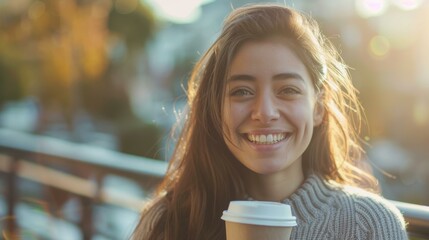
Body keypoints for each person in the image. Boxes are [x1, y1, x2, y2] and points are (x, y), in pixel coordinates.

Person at [132, 3, 408, 240]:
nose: (264, 112)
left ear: (319, 107)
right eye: (242, 91)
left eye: (287, 90)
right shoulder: (168, 222)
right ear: (216, 109)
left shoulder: (371, 225)